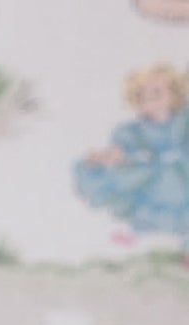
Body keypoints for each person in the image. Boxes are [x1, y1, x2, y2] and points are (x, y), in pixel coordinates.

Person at [75, 63, 189, 255]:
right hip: (153, 178)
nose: (149, 99)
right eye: (142, 95)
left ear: (174, 95)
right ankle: (137, 234)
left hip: (183, 173)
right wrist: (108, 157)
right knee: (146, 200)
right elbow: (121, 151)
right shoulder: (133, 131)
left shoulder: (183, 121)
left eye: (157, 92)